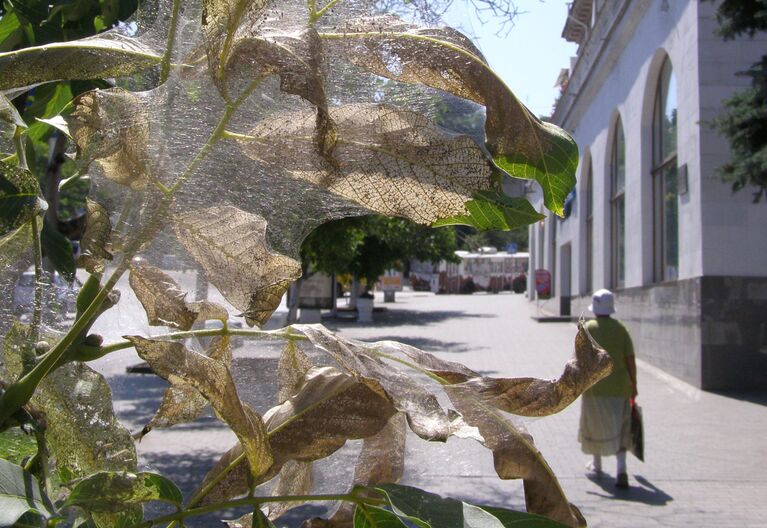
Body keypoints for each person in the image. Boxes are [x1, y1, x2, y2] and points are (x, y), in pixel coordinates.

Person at [578, 288, 638, 489]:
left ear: (594, 309)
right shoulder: (621, 329)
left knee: (594, 425)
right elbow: (630, 360)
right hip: (620, 387)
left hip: (594, 388)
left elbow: (579, 359)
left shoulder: (587, 328)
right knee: (622, 428)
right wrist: (634, 384)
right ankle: (621, 469)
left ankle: (597, 465)